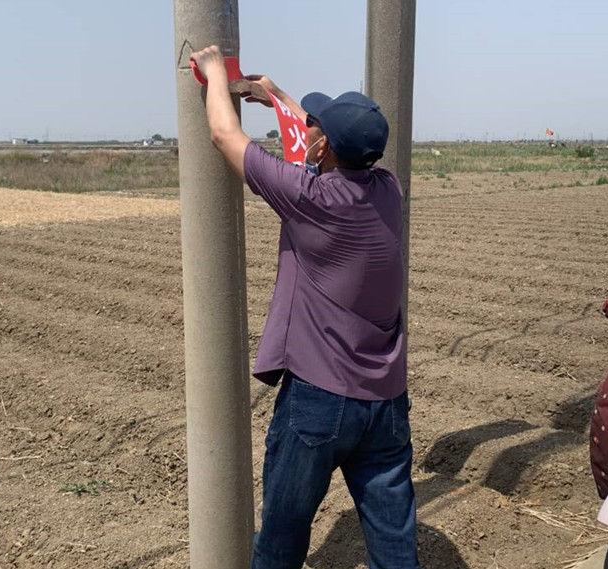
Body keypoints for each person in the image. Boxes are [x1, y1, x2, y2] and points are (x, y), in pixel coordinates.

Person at [190, 46, 420, 569]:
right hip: (386, 403)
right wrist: (275, 95)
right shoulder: (388, 189)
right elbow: (320, 141)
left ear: (326, 148)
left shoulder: (311, 199)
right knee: (394, 544)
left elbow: (225, 136)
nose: (309, 129)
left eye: (317, 127)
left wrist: (213, 73)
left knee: (281, 538)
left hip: (318, 400)